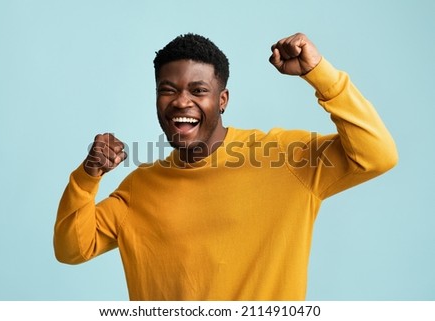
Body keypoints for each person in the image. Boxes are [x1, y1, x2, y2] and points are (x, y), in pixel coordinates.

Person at [54, 32, 398, 300]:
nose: (181, 101)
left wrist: (321, 75)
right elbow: (73, 248)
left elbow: (376, 154)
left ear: (222, 100)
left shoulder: (286, 158)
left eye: (198, 90)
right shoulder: (140, 187)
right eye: (167, 90)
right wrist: (88, 177)